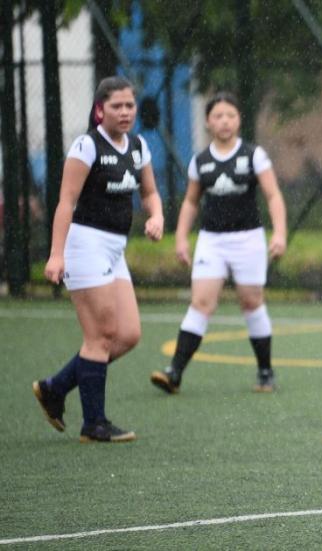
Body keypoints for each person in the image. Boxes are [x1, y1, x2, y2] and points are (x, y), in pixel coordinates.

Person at [32, 76, 164, 442]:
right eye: (116, 106)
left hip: (114, 248)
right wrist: (57, 254)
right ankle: (94, 424)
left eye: (129, 106)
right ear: (100, 109)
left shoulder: (138, 146)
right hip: (83, 245)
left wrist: (156, 216)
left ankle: (56, 387)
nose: (124, 112)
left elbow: (150, 192)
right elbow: (65, 202)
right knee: (102, 335)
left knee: (129, 335)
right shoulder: (87, 145)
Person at [149, 92, 286, 394]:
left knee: (252, 302)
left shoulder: (253, 155)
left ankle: (265, 371)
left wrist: (279, 233)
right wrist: (182, 238)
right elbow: (190, 202)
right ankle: (174, 372)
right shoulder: (201, 161)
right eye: (218, 116)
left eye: (231, 115)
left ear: (239, 120)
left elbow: (273, 195)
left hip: (248, 239)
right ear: (208, 122)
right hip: (212, 241)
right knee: (201, 303)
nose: (225, 121)